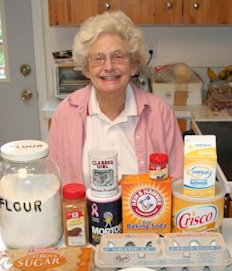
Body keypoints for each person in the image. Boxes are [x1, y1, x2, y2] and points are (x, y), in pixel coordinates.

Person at [47, 10, 184, 187]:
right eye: (98, 58)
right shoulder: (66, 113)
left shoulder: (160, 112)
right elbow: (53, 182)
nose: (109, 67)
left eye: (118, 57)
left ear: (133, 65)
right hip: (83, 215)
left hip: (146, 214)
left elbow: (177, 181)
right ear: (87, 69)